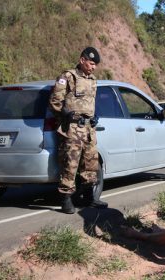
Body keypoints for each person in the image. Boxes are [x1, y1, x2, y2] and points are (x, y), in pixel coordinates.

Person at [49, 47, 108, 214]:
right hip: (72, 128)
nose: (93, 67)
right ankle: (65, 199)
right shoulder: (68, 77)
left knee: (91, 163)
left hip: (89, 128)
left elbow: (89, 103)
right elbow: (55, 102)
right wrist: (64, 113)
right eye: (91, 63)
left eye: (95, 64)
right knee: (70, 164)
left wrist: (94, 116)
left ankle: (90, 197)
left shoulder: (93, 80)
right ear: (82, 60)